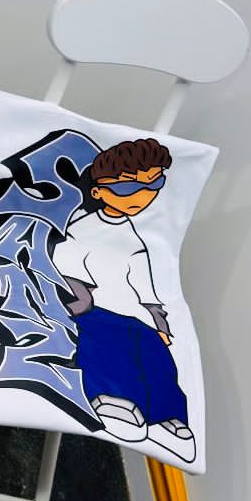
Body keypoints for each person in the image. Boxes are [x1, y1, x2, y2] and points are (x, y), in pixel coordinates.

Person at [52, 138, 195, 462]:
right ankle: (112, 400)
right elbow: (67, 271)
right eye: (127, 188)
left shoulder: (135, 238)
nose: (141, 197)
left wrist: (159, 323)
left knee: (157, 358)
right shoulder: (82, 228)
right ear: (98, 192)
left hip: (134, 315)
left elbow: (145, 287)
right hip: (95, 310)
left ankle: (167, 417)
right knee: (106, 349)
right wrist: (77, 306)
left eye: (153, 184)